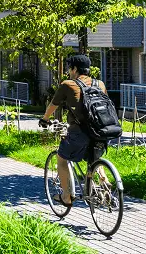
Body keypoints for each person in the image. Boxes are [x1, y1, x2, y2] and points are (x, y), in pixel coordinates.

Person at [38, 54, 108, 206]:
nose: (69, 71)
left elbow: (53, 105)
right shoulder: (100, 84)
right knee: (94, 157)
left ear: (75, 69)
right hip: (102, 132)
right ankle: (104, 181)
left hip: (80, 132)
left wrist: (45, 119)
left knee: (61, 158)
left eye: (70, 68)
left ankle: (66, 196)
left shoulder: (68, 84)